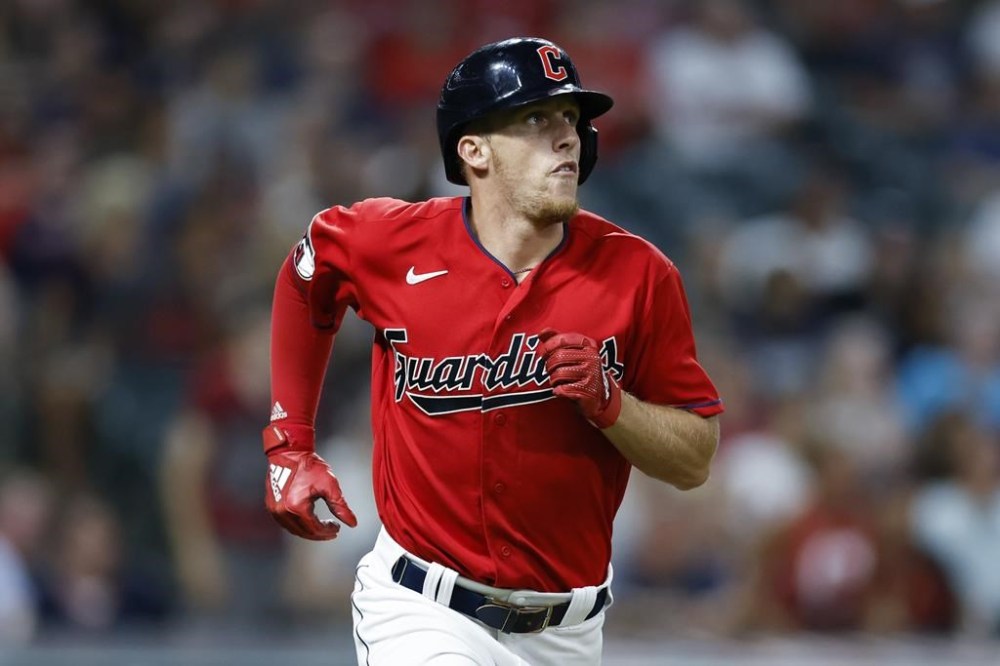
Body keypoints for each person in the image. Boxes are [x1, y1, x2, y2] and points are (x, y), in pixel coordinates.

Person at [261, 37, 723, 665]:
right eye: (537, 119)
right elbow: (306, 273)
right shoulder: (391, 243)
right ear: (473, 150)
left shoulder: (639, 275)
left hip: (569, 632)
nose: (566, 137)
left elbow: (693, 459)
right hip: (422, 608)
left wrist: (612, 404)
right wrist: (289, 442)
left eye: (570, 121)